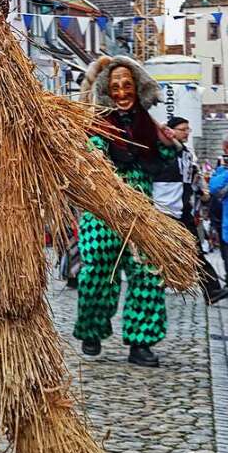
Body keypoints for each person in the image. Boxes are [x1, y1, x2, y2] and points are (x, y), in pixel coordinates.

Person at [74, 56, 178, 367]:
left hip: (140, 210)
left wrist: (167, 143)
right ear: (107, 91)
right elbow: (90, 156)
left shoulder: (148, 123)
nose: (122, 92)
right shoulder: (98, 123)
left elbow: (164, 158)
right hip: (103, 210)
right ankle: (91, 330)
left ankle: (141, 342)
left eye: (127, 86)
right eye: (115, 87)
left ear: (137, 89)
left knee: (147, 274)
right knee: (96, 273)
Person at [153, 116, 222, 303]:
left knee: (196, 252)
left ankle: (212, 290)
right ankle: (155, 285)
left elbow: (192, 178)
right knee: (162, 253)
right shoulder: (162, 150)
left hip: (183, 211)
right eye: (183, 129)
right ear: (171, 131)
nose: (187, 132)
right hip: (163, 211)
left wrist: (201, 192)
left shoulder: (186, 153)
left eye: (188, 129)